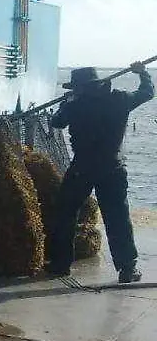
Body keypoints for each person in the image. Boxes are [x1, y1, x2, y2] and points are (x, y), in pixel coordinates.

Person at [47, 62, 153, 282]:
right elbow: (147, 92)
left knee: (65, 213)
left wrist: (66, 104)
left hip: (82, 167)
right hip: (112, 167)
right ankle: (127, 268)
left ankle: (60, 264)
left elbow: (56, 122)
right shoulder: (119, 99)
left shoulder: (75, 105)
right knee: (117, 217)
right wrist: (142, 74)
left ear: (82, 87)